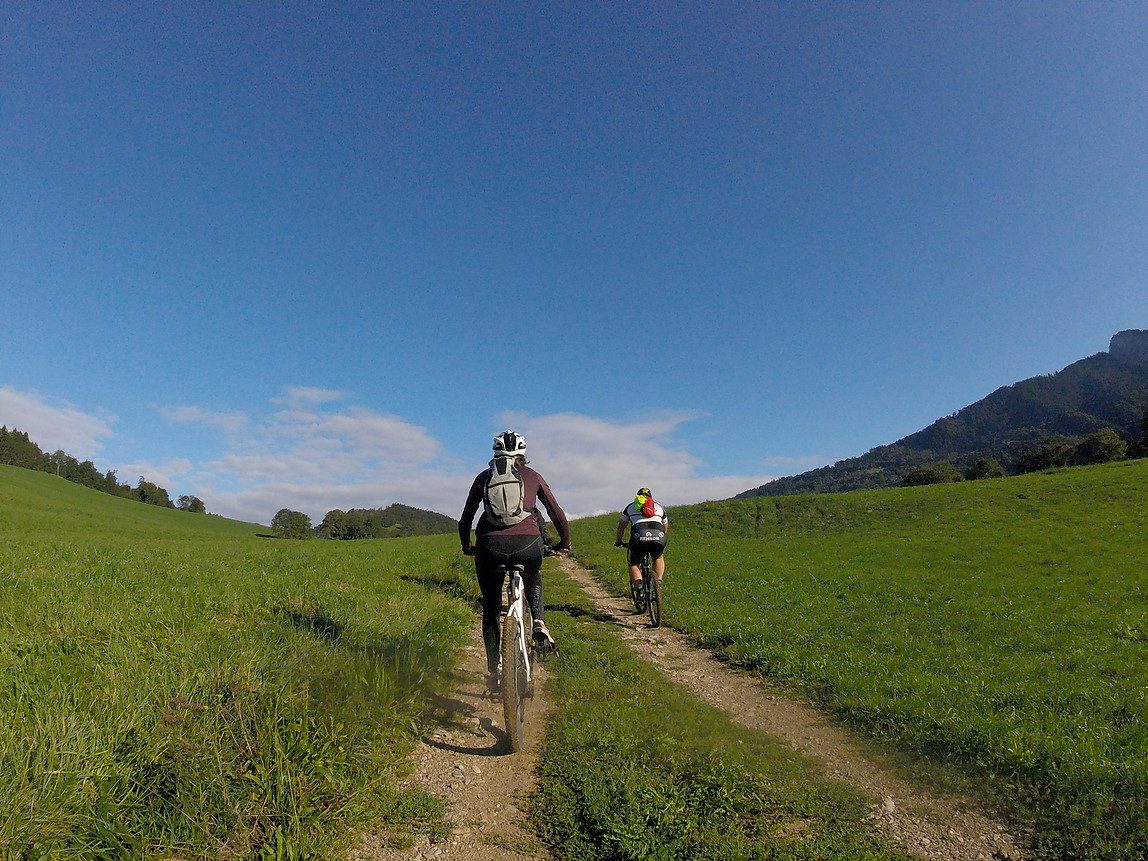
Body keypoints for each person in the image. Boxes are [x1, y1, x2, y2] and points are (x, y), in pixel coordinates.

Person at [459, 430, 571, 692]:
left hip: (490, 546)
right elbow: (557, 514)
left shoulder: (484, 477)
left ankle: (493, 670)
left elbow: (466, 519)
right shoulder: (532, 476)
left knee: (490, 605)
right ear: (523, 454)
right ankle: (540, 624)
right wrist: (564, 543)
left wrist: (468, 546)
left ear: (495, 452)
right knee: (533, 574)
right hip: (528, 544)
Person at [614, 486, 669, 605]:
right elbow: (665, 525)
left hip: (639, 536)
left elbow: (621, 527)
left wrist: (619, 540)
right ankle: (657, 583)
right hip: (658, 535)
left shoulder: (631, 507)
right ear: (651, 497)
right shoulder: (658, 507)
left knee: (634, 563)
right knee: (658, 557)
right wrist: (661, 537)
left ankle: (639, 589)